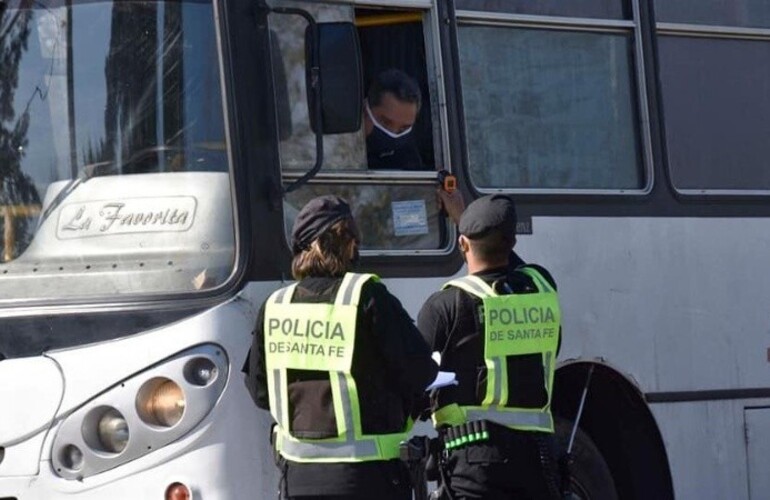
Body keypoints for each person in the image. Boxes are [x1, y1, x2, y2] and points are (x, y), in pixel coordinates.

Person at [244, 195, 438, 500]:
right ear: (345, 244)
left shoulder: (275, 306)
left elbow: (259, 392)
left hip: (298, 480)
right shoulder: (368, 297)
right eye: (354, 240)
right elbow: (421, 370)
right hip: (369, 479)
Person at [417, 194, 562, 499]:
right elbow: (512, 268)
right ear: (512, 243)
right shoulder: (542, 288)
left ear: (462, 245)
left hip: (473, 462)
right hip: (538, 459)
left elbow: (417, 379)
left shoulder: (446, 305)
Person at [364, 69, 425, 170]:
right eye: (385, 123)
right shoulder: (336, 152)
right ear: (365, 110)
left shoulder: (411, 164)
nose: (393, 134)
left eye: (403, 129)